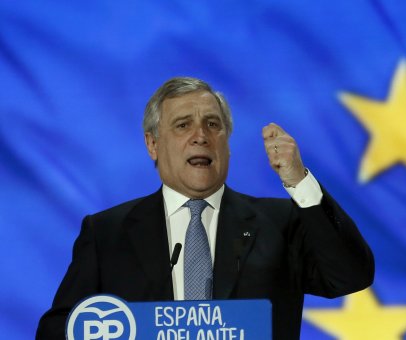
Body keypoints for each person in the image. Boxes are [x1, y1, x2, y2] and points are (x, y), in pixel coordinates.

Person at [36, 77, 375, 339]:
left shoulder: (279, 223)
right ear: (153, 144)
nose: (201, 136)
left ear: (226, 143)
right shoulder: (106, 233)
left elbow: (349, 275)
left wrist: (299, 182)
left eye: (213, 125)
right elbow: (57, 330)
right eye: (183, 125)